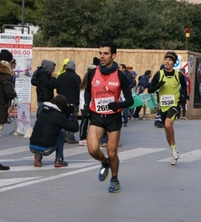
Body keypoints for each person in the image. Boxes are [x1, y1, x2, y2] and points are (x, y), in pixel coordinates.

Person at [83, 41, 133, 193]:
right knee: (92, 150)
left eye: (105, 53)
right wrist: (86, 106)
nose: (102, 56)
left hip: (113, 118)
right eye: (100, 53)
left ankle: (115, 179)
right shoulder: (92, 73)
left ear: (113, 55)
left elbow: (130, 101)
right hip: (96, 116)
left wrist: (118, 105)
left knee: (112, 152)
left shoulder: (120, 76)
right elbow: (87, 91)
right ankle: (104, 162)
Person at [145, 51, 187, 165]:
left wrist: (183, 96)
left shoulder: (178, 75)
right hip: (163, 106)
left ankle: (173, 150)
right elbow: (150, 89)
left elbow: (184, 86)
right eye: (166, 59)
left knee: (168, 125)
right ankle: (173, 150)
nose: (167, 62)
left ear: (173, 63)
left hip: (174, 104)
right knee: (167, 130)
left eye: (169, 60)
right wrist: (159, 85)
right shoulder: (159, 74)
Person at [30, 95, 79, 167]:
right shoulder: (58, 116)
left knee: (44, 130)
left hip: (32, 146)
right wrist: (72, 114)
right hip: (46, 148)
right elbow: (75, 128)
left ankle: (38, 156)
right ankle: (59, 160)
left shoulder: (43, 111)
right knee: (60, 134)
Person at [56, 60, 81, 144]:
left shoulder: (60, 77)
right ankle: (70, 137)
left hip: (62, 102)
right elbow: (79, 90)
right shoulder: (76, 77)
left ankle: (62, 136)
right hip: (73, 101)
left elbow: (57, 90)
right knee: (72, 119)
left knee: (62, 118)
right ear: (74, 68)